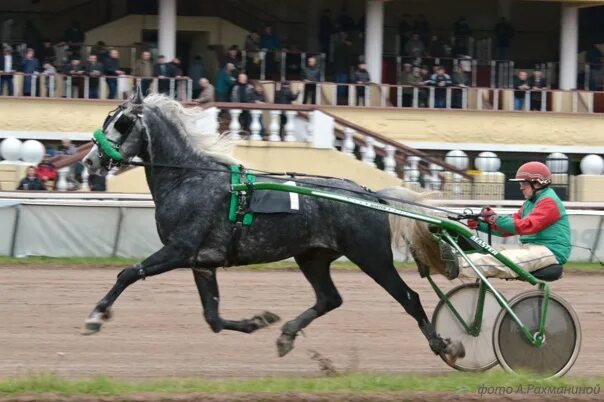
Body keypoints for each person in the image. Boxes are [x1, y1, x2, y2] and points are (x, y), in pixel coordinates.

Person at [442, 162, 570, 280]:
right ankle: (444, 261)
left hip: (549, 251)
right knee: (490, 251)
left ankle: (457, 264)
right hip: (531, 248)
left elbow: (526, 226)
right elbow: (509, 228)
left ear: (537, 183)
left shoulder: (549, 202)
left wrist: (494, 218)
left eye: (523, 184)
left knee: (503, 260)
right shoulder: (529, 203)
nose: (521, 188)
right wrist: (481, 225)